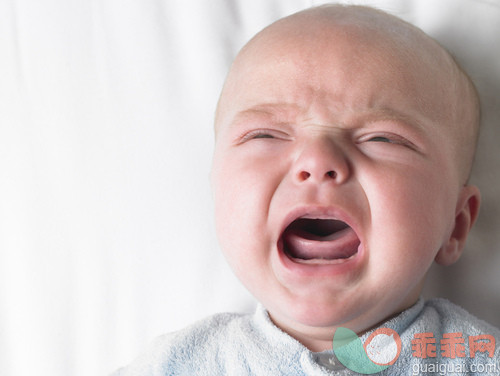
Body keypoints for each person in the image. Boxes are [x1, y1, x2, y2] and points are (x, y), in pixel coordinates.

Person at [114, 5, 499, 375]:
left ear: (456, 224)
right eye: (266, 134)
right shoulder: (177, 365)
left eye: (382, 138)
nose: (317, 160)